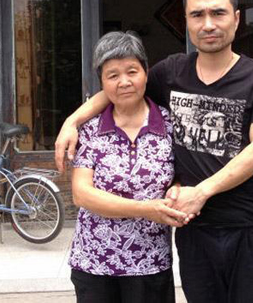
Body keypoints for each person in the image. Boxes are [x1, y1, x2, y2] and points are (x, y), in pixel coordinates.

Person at [57, 0, 253, 303]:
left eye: (218, 13)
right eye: (197, 15)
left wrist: (201, 192)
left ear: (236, 19)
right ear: (187, 23)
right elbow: (122, 86)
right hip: (195, 230)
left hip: (249, 226)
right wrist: (73, 121)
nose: (208, 24)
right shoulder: (172, 72)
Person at [68, 31, 188, 303]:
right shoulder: (90, 129)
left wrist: (176, 190)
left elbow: (182, 176)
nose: (124, 82)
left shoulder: (170, 125)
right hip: (95, 262)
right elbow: (81, 194)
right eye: (113, 75)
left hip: (150, 263)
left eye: (132, 71)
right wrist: (146, 209)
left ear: (146, 73)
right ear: (102, 82)